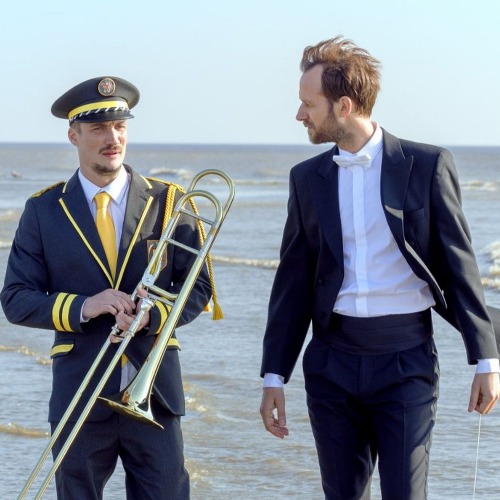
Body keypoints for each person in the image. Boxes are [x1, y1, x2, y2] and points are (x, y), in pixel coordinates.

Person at [259, 36, 500, 499]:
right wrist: (274, 376)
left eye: (308, 104)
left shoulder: (427, 165)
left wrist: (486, 359)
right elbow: (292, 282)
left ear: (344, 105)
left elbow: (459, 264)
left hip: (405, 361)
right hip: (331, 363)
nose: (300, 115)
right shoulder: (306, 179)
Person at [1, 76, 213, 499]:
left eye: (119, 126)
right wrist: (86, 306)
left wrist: (153, 316)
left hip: (154, 392)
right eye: (98, 128)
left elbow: (199, 287)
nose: (112, 138)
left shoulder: (170, 203)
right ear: (73, 136)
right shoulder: (43, 210)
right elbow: (16, 300)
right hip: (79, 390)